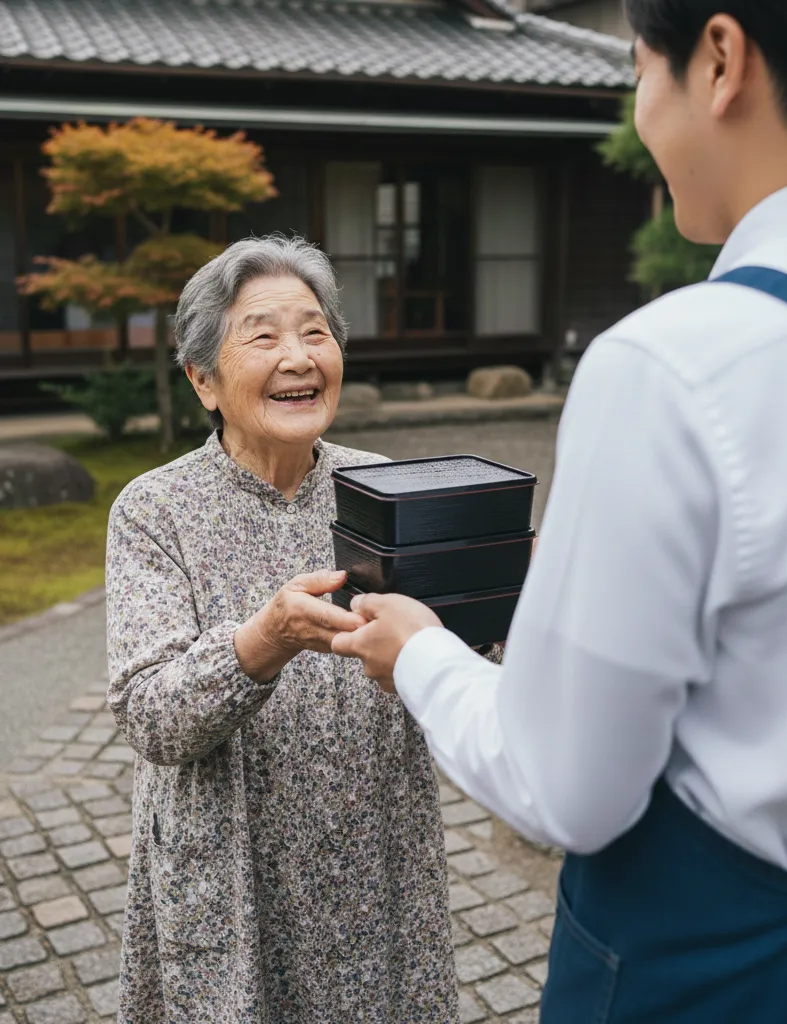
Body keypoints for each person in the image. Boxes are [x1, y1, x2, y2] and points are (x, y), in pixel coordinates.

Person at [332, 2, 787, 1021]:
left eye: (641, 70)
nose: (640, 107)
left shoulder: (678, 364)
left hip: (719, 965)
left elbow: (566, 787)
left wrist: (418, 651)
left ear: (720, 59)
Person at [106, 236, 460, 1023]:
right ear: (203, 379)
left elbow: (458, 652)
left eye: (315, 331)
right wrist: (261, 641)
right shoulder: (154, 510)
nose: (298, 356)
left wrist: (499, 591)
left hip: (374, 851)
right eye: (262, 335)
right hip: (232, 864)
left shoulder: (384, 487)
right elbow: (147, 714)